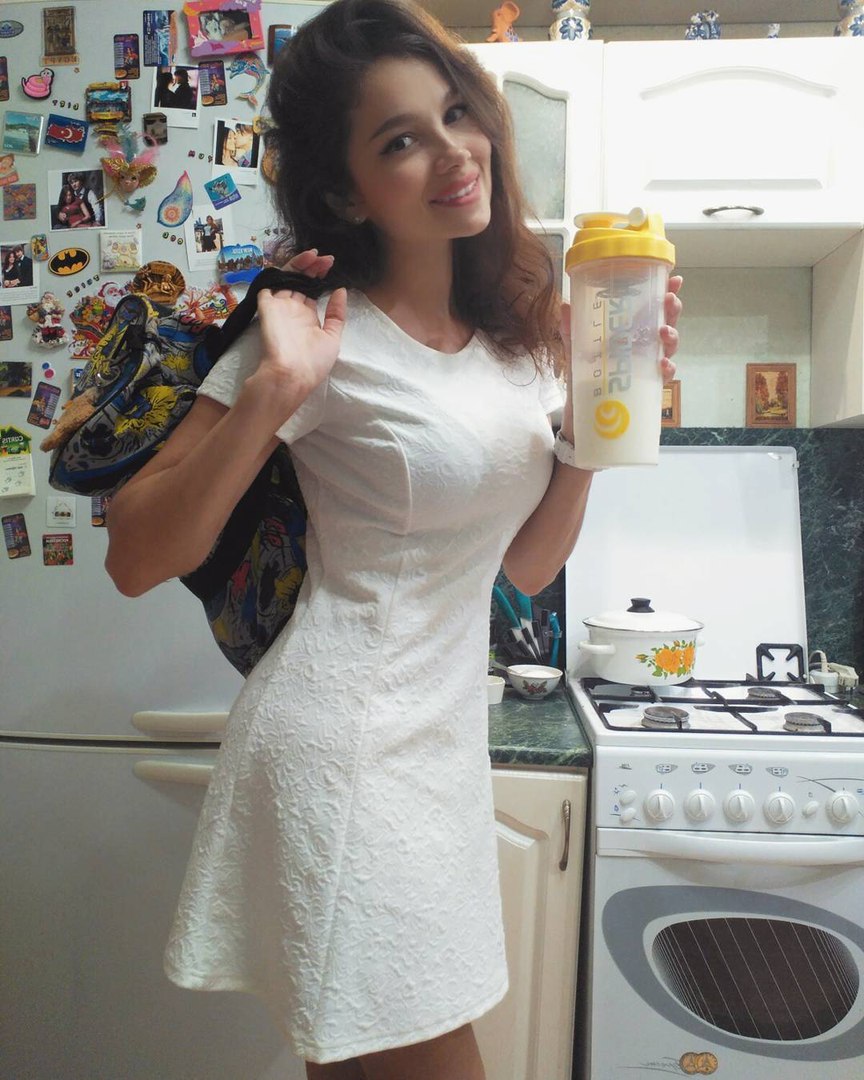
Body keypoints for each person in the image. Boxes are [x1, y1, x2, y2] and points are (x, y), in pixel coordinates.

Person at [104, 1, 682, 1077]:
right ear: (343, 191)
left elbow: (524, 569)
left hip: (437, 750)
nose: (455, 152)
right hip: (344, 748)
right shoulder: (317, 333)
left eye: (457, 114)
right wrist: (276, 391)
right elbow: (136, 556)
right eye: (401, 139)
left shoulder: (518, 341)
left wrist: (597, 418)